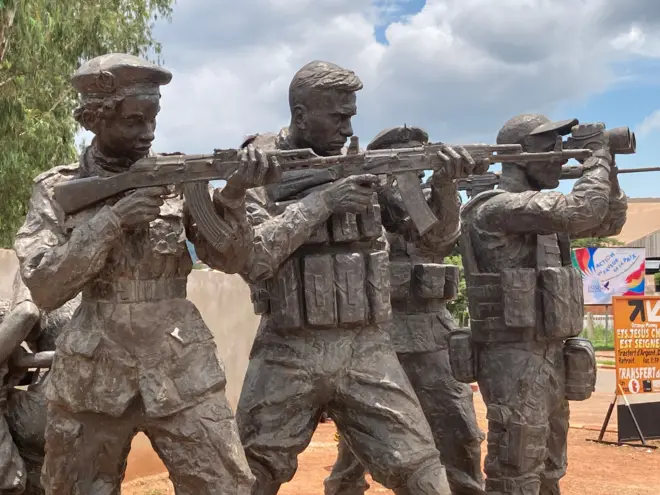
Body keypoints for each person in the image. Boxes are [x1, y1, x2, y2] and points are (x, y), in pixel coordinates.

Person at [195, 60, 482, 495]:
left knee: (423, 473)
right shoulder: (259, 166)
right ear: (300, 114)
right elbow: (253, 259)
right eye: (338, 116)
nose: (348, 128)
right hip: (288, 349)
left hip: (367, 349)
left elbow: (434, 240)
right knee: (251, 476)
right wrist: (326, 200)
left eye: (352, 116)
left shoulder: (363, 161)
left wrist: (445, 186)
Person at [13, 52, 278, 495]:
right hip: (93, 373)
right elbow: (43, 285)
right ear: (95, 120)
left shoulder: (180, 176)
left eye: (153, 119)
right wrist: (112, 221)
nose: (148, 133)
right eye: (134, 121)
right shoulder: (56, 188)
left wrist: (232, 197)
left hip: (181, 365)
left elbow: (231, 261)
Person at [458, 115, 627, 494]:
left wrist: (607, 166)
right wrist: (596, 155)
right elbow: (582, 209)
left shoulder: (539, 213)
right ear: (517, 156)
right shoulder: (498, 207)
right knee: (516, 466)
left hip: (552, 350)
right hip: (513, 356)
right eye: (550, 149)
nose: (561, 157)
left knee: (551, 466)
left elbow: (607, 220)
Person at [324, 126, 486, 495]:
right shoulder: (359, 197)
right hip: (378, 333)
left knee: (459, 430)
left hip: (432, 330)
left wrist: (446, 185)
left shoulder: (430, 201)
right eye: (410, 164)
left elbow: (440, 238)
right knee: (360, 443)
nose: (417, 177)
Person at [0, 271, 80, 494]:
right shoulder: (110, 280)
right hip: (102, 404)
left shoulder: (35, 266)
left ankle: (8, 479)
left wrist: (21, 359)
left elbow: (24, 314)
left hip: (50, 412)